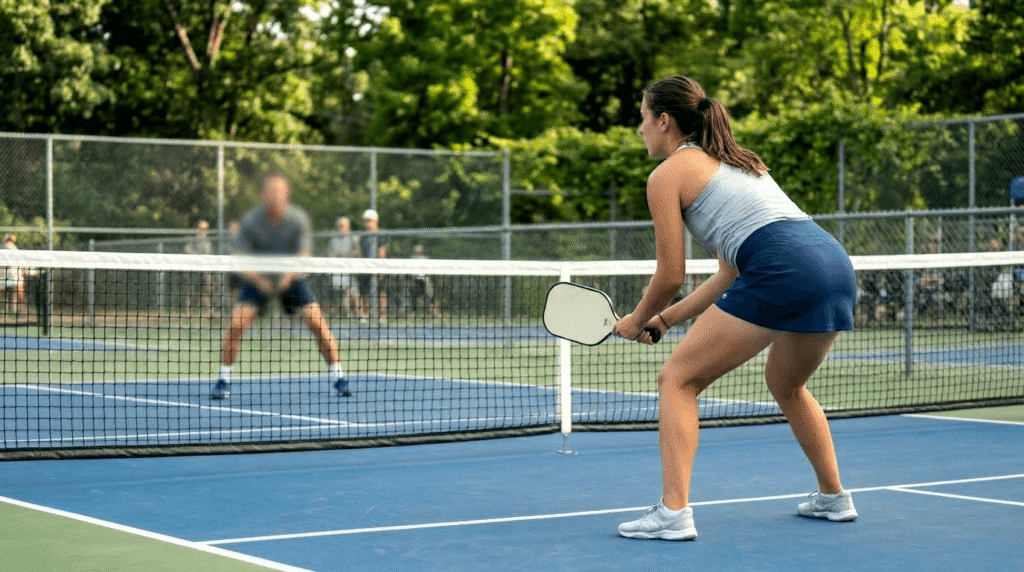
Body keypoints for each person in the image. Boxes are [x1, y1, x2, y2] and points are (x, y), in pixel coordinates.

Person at [612, 76, 858, 541]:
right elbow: (730, 273)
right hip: (832, 265)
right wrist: (663, 320)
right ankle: (833, 496)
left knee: (677, 380)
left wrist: (638, 318)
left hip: (783, 265)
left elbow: (670, 275)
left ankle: (673, 513)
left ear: (663, 121)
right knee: (785, 383)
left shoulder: (667, 175)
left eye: (642, 118)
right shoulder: (740, 163)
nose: (639, 129)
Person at [213, 174, 351, 399]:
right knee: (236, 325)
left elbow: (304, 254)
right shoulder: (250, 221)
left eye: (280, 191)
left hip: (292, 280)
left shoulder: (298, 219)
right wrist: (260, 281)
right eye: (270, 191)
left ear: (287, 195)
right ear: (262, 194)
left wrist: (287, 277)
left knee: (317, 323)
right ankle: (223, 380)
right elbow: (239, 258)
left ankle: (338, 377)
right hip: (258, 281)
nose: (275, 196)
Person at [357, 209, 388, 324]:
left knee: (381, 291)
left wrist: (380, 268)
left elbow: (382, 251)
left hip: (377, 267)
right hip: (364, 268)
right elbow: (360, 252)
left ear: (376, 221)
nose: (368, 223)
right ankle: (365, 314)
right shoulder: (363, 236)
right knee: (364, 292)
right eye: (366, 220)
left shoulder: (380, 235)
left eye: (370, 220)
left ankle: (383, 315)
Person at [327, 216, 360, 318]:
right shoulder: (333, 238)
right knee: (339, 294)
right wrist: (337, 257)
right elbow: (328, 252)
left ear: (348, 226)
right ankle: (345, 314)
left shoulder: (353, 238)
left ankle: (359, 315)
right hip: (336, 270)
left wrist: (348, 256)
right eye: (340, 226)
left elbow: (358, 252)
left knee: (354, 292)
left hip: (350, 270)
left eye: (344, 226)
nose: (341, 228)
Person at [184, 220, 215, 316]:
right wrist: (196, 255)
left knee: (206, 291)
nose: (203, 230)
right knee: (192, 291)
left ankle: (210, 311)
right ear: (198, 229)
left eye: (205, 228)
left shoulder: (208, 242)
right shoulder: (193, 240)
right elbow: (187, 249)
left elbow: (209, 256)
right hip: (194, 270)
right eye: (201, 228)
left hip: (205, 271)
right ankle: (188, 313)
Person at [408, 244, 445, 320]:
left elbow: (434, 269)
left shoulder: (426, 259)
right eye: (416, 249)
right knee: (418, 300)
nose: (418, 251)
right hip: (416, 282)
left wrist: (440, 278)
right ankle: (414, 314)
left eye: (419, 249)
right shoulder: (411, 258)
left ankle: (435, 313)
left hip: (426, 281)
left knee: (431, 298)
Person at [2, 233, 27, 315]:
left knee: (17, 293)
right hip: (10, 276)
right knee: (17, 293)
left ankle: (17, 310)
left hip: (12, 276)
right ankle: (18, 310)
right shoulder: (10, 248)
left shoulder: (8, 247)